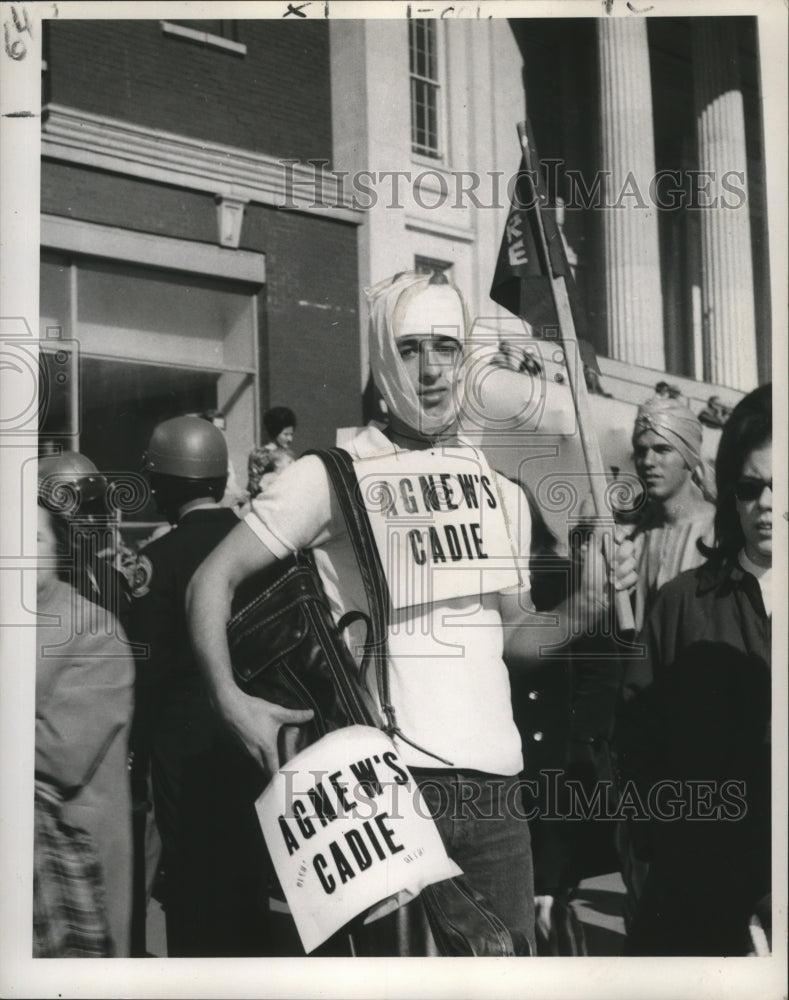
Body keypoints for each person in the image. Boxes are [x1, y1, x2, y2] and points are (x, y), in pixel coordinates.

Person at [187, 270, 623, 956]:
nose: (429, 369)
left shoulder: (498, 491)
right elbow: (211, 578)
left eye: (445, 347)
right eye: (410, 347)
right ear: (383, 356)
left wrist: (587, 604)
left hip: (497, 799)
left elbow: (515, 637)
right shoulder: (331, 475)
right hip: (384, 793)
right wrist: (228, 699)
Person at [618, 384, 772, 955]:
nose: (648, 461)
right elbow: (638, 726)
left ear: (690, 456)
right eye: (752, 488)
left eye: (662, 448)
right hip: (698, 865)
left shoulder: (712, 538)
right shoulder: (667, 579)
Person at [127, 416, 269, 956]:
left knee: (195, 903)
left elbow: (145, 675)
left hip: (185, 754)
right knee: (253, 892)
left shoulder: (155, 561)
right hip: (260, 739)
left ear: (164, 483)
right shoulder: (261, 548)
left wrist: (135, 763)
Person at [34, 501, 135, 956]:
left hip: (67, 879)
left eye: (32, 538)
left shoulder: (95, 629)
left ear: (59, 549)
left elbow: (60, 755)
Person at [37, 450, 132, 630]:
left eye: (94, 508)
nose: (90, 520)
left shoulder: (112, 578)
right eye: (81, 509)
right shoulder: (36, 583)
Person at [246, 406, 297, 499]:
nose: (290, 439)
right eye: (286, 434)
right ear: (275, 431)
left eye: (291, 434)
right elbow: (255, 487)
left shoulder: (288, 454)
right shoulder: (260, 455)